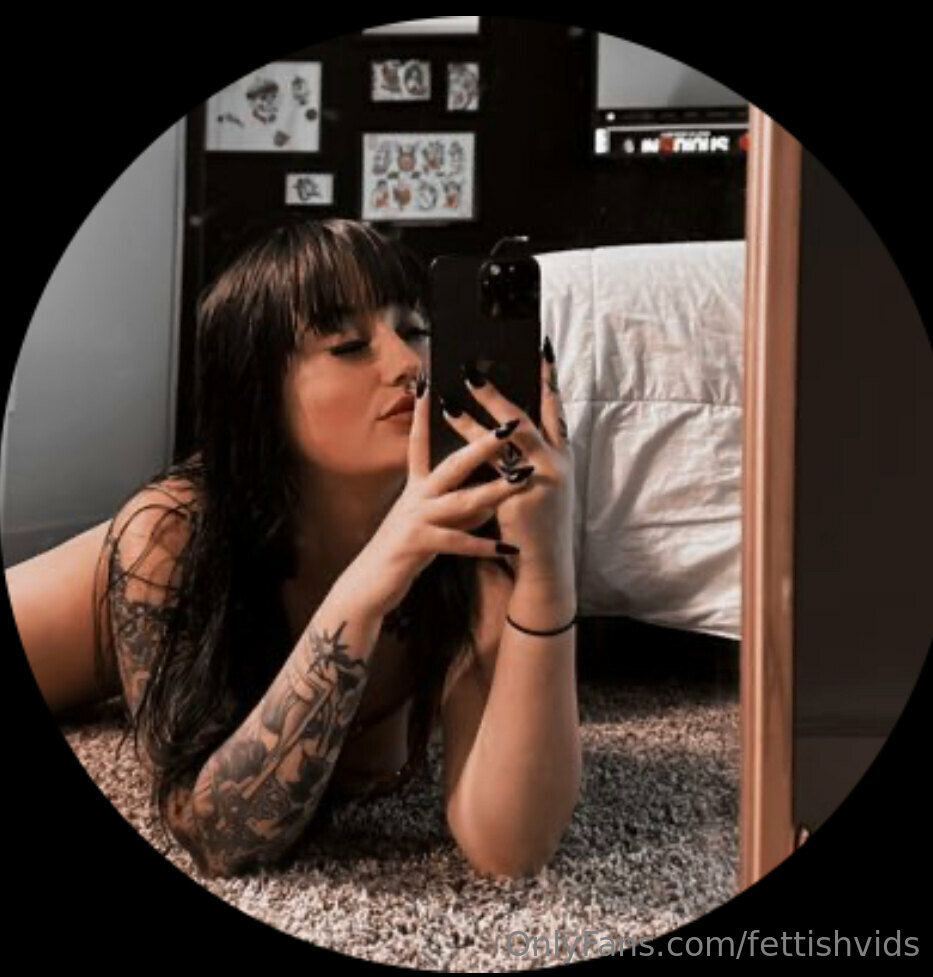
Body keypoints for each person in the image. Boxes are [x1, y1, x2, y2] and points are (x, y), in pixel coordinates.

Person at [5, 218, 581, 880]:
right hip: (159, 578)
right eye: (348, 345)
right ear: (259, 390)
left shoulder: (473, 530)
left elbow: (509, 849)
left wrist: (546, 566)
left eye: (417, 330)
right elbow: (215, 836)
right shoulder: (171, 535)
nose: (407, 364)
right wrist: (371, 581)